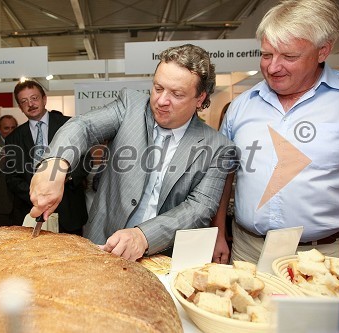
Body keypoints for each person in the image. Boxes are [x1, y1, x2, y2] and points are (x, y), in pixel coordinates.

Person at [28, 44, 236, 261]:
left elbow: (198, 209)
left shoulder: (218, 148)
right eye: (158, 88)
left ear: (200, 98)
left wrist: (143, 236)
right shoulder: (130, 107)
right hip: (103, 244)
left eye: (176, 94)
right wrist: (54, 165)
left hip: (163, 257)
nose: (162, 101)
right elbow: (83, 127)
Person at [217, 0, 339, 264]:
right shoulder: (241, 106)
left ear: (323, 51)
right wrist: (219, 233)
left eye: (289, 56)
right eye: (266, 55)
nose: (273, 67)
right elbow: (222, 176)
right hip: (248, 250)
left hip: (322, 256)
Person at [4, 80, 88, 234]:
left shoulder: (70, 125)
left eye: (34, 98)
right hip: (31, 211)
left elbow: (85, 160)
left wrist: (63, 179)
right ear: (20, 107)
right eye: (24, 101)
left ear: (44, 99)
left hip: (68, 209)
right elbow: (12, 178)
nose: (30, 104)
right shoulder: (13, 139)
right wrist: (38, 196)